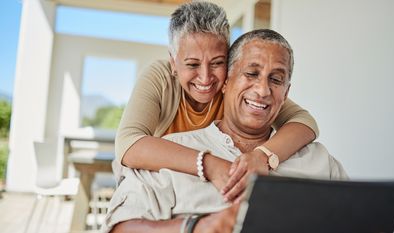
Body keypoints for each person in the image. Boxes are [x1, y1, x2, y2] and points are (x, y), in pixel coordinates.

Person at [102, 29, 348, 233]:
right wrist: (195, 227)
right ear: (226, 81)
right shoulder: (169, 155)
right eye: (251, 74)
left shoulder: (319, 162)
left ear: (286, 93)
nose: (263, 90)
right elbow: (119, 228)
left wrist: (264, 155)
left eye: (276, 79)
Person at [115, 1, 319, 201]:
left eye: (217, 63)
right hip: (161, 185)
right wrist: (208, 165)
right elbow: (127, 144)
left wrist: (263, 156)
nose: (205, 78)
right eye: (192, 64)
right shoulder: (160, 78)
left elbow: (304, 122)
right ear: (173, 63)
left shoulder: (237, 88)